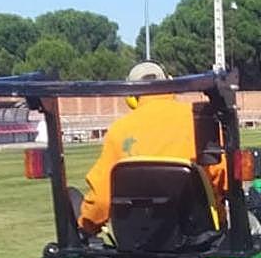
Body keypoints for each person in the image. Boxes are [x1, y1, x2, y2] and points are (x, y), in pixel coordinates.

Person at [78, 61, 227, 235]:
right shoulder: (200, 120)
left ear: (131, 97)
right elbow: (225, 178)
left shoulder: (118, 131)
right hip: (200, 238)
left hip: (137, 243)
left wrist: (85, 228)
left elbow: (101, 202)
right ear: (170, 83)